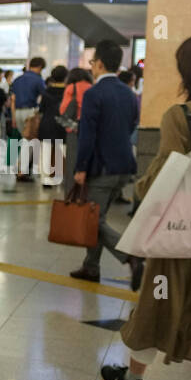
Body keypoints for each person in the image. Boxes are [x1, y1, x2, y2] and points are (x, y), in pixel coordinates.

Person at [102, 34, 191, 380]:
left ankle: (133, 378)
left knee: (158, 302)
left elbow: (166, 171)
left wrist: (140, 190)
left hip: (183, 233)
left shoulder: (181, 116)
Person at [68, 39, 143, 288]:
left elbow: (87, 136)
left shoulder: (94, 94)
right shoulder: (129, 94)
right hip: (125, 167)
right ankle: (91, 267)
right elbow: (132, 125)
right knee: (96, 216)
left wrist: (80, 168)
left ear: (99, 64)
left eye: (92, 63)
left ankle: (130, 256)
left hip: (101, 168)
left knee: (94, 221)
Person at [35, 65, 69, 185]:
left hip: (47, 124)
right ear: (66, 77)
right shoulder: (68, 92)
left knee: (46, 152)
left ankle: (45, 179)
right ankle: (62, 177)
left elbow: (41, 110)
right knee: (63, 151)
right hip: (63, 124)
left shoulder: (46, 92)